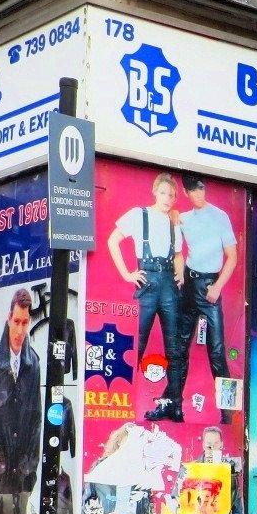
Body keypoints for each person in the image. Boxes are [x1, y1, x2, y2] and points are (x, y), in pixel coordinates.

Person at [109, 172, 186, 423]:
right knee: (136, 346)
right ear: (155, 192)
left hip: (169, 286)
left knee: (175, 348)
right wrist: (126, 274)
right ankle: (125, 406)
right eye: (163, 193)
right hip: (147, 283)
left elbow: (178, 254)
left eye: (172, 195)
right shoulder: (138, 214)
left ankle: (175, 404)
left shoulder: (174, 222)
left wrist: (181, 273)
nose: (167, 198)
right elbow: (113, 241)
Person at [177, 176, 238, 420]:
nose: (198, 194)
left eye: (201, 188)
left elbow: (231, 256)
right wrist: (179, 276)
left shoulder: (220, 216)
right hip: (189, 284)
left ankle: (229, 412)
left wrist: (218, 287)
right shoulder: (183, 218)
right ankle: (174, 404)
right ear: (186, 192)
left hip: (210, 284)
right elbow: (175, 250)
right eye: (193, 190)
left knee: (217, 351)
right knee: (180, 347)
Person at [0, 287, 42, 514]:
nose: (20, 330)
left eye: (25, 323)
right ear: (9, 319)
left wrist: (29, 466)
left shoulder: (33, 363)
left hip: (22, 477)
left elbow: (36, 420)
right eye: (16, 321)